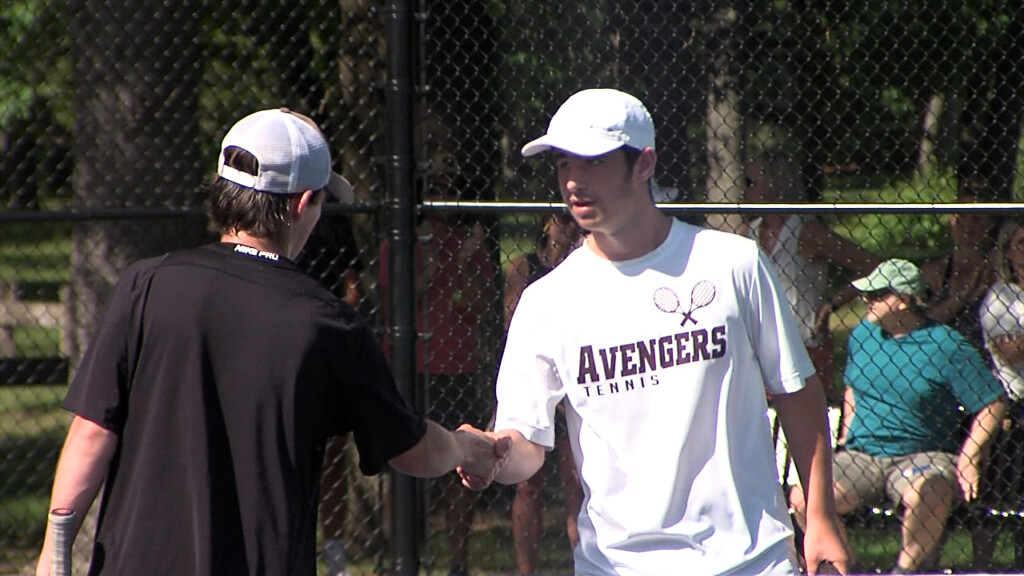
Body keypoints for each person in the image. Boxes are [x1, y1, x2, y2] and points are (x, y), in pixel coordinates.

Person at [34, 108, 504, 576]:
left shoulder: (145, 284)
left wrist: (53, 559)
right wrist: (465, 448)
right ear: (303, 204)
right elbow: (411, 447)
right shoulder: (327, 322)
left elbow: (92, 432)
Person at [460, 88, 851, 575]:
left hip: (752, 561)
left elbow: (796, 392)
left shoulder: (734, 264)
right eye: (563, 164)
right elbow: (525, 444)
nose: (573, 180)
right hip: (613, 566)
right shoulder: (546, 301)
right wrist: (495, 454)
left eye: (593, 162)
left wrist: (820, 517)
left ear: (644, 164)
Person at [789, 258, 1008, 574]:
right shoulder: (863, 335)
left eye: (877, 294)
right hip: (862, 455)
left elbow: (993, 402)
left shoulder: (945, 344)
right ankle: (847, 570)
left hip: (923, 456)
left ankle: (903, 572)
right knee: (804, 497)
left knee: (930, 491)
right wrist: (847, 429)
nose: (867, 300)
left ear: (904, 300)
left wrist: (969, 456)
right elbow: (852, 386)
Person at [378, 151, 498, 576]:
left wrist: (464, 262)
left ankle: (458, 562)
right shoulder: (400, 244)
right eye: (436, 190)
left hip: (456, 369)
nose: (444, 199)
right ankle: (401, 557)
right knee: (403, 464)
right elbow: (394, 306)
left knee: (457, 467)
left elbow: (481, 308)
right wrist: (428, 265)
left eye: (450, 190)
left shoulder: (470, 246)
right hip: (410, 370)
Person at [740, 149, 880, 403]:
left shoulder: (807, 231)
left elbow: (872, 266)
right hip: (757, 348)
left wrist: (833, 303)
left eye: (750, 182)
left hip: (803, 345)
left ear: (774, 184)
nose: (743, 190)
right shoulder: (747, 233)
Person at [504, 212, 584, 575]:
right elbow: (514, 324)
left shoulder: (585, 271)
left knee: (577, 486)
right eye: (562, 219)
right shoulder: (526, 268)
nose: (569, 226)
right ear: (546, 222)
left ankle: (582, 563)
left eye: (574, 221)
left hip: (574, 390)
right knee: (527, 486)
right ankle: (526, 570)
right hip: (537, 380)